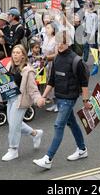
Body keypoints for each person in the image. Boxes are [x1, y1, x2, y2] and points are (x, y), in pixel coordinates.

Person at [33, 30, 91, 170]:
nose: (59, 45)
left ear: (68, 43)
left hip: (69, 98)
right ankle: (82, 149)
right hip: (59, 97)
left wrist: (85, 101)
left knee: (58, 126)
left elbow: (84, 83)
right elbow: (51, 80)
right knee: (72, 123)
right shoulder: (57, 58)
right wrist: (43, 96)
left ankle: (48, 159)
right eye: (58, 42)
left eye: (62, 43)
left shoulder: (76, 60)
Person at [1, 45, 44, 162]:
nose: (15, 55)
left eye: (18, 53)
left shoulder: (27, 70)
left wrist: (38, 99)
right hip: (10, 98)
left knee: (14, 126)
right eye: (14, 52)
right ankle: (35, 134)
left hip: (20, 100)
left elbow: (33, 89)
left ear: (23, 56)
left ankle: (13, 150)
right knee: (14, 123)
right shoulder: (9, 66)